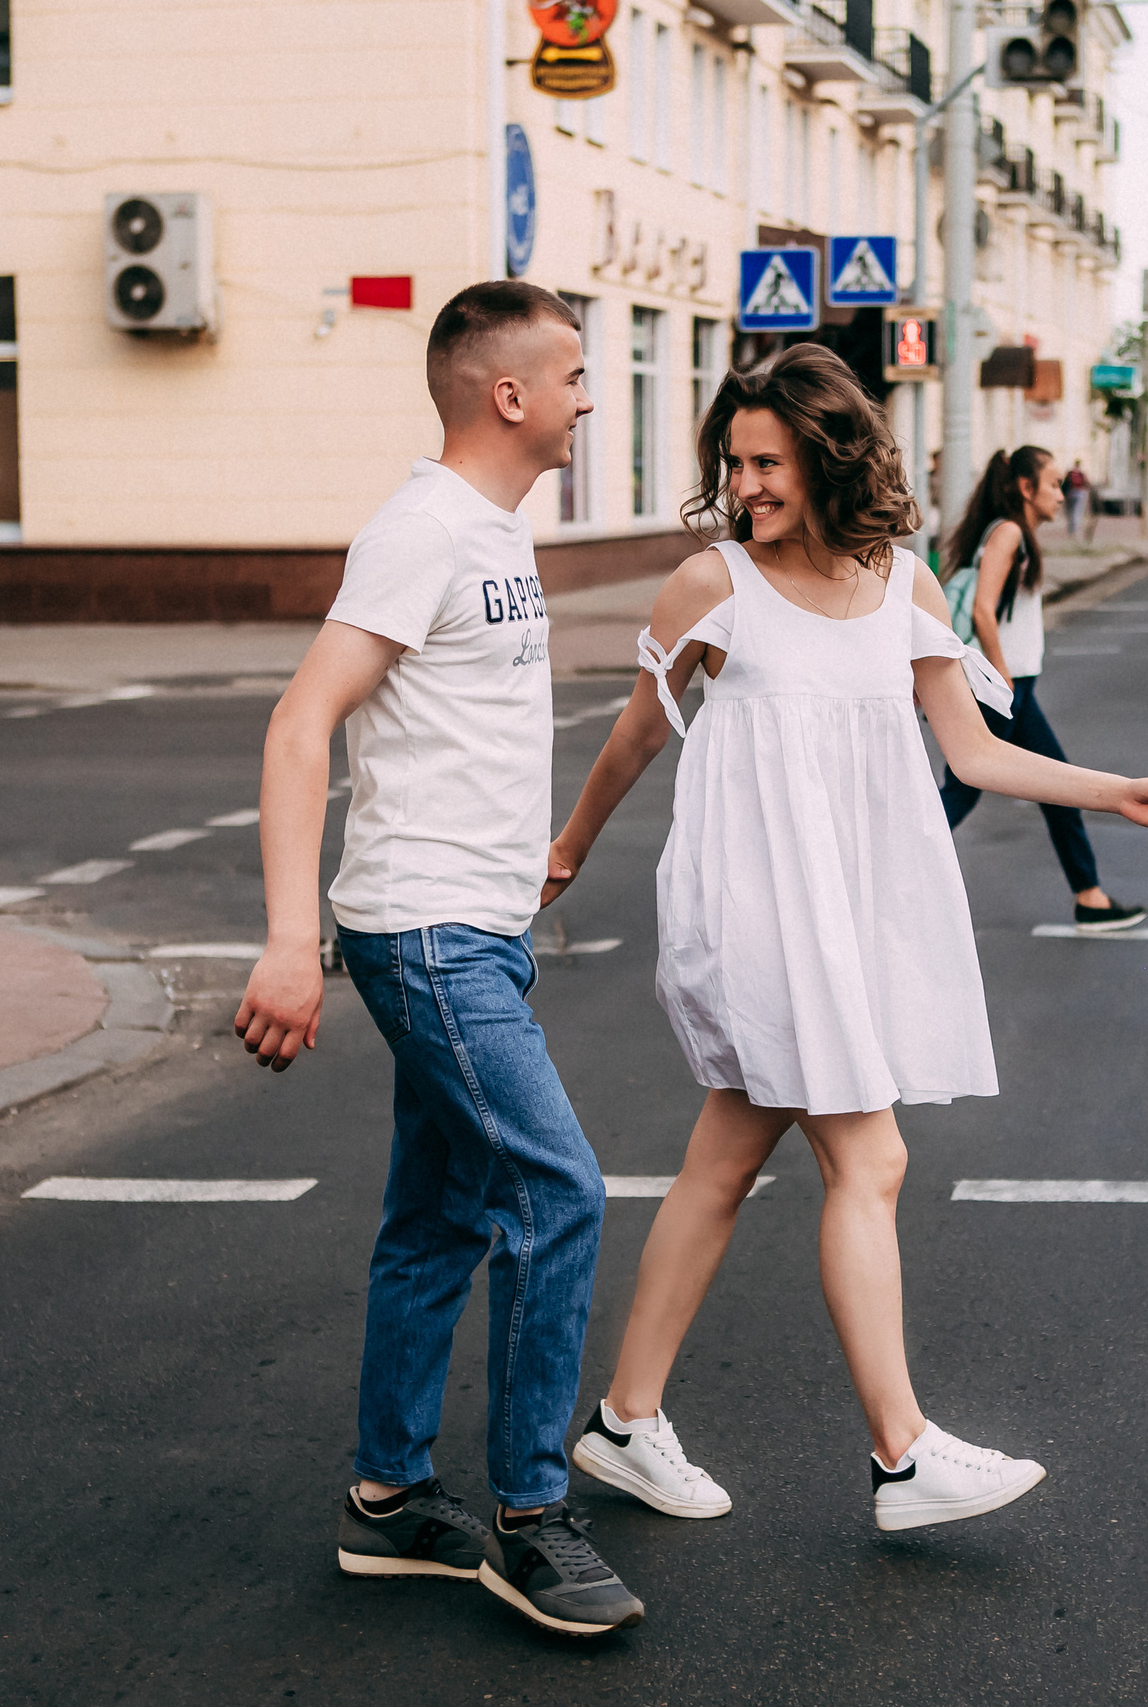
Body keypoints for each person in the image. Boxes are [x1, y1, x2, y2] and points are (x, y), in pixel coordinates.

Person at [542, 344, 1148, 1532]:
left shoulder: (900, 583)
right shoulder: (714, 585)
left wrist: (1114, 792)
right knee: (873, 1160)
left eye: (769, 460)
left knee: (723, 1164)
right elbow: (638, 735)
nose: (746, 483)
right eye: (734, 461)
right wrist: (565, 850)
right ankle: (901, 1454)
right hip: (755, 912)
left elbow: (974, 751)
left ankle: (625, 1421)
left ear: (829, 454)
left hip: (846, 911)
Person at [232, 281, 645, 1637]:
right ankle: (532, 1519)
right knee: (561, 1190)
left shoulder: (496, 531)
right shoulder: (423, 531)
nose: (592, 393)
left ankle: (388, 1497)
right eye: (576, 373)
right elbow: (302, 725)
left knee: (442, 1212)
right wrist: (294, 941)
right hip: (425, 933)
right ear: (507, 395)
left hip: (476, 924)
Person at [939, 445, 1148, 931]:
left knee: (1057, 788)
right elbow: (982, 610)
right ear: (1024, 488)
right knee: (965, 791)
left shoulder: (1017, 533)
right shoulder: (1009, 532)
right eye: (1053, 484)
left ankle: (1089, 897)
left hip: (1014, 686)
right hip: (1002, 688)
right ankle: (887, 860)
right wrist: (1003, 676)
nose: (1063, 492)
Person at [1063, 458, 1092, 538]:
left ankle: (1070, 530)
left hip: (1070, 493)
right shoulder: (1082, 473)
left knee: (1070, 512)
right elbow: (1088, 483)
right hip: (1080, 493)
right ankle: (1076, 531)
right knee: (1078, 512)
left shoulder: (1070, 472)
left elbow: (1065, 484)